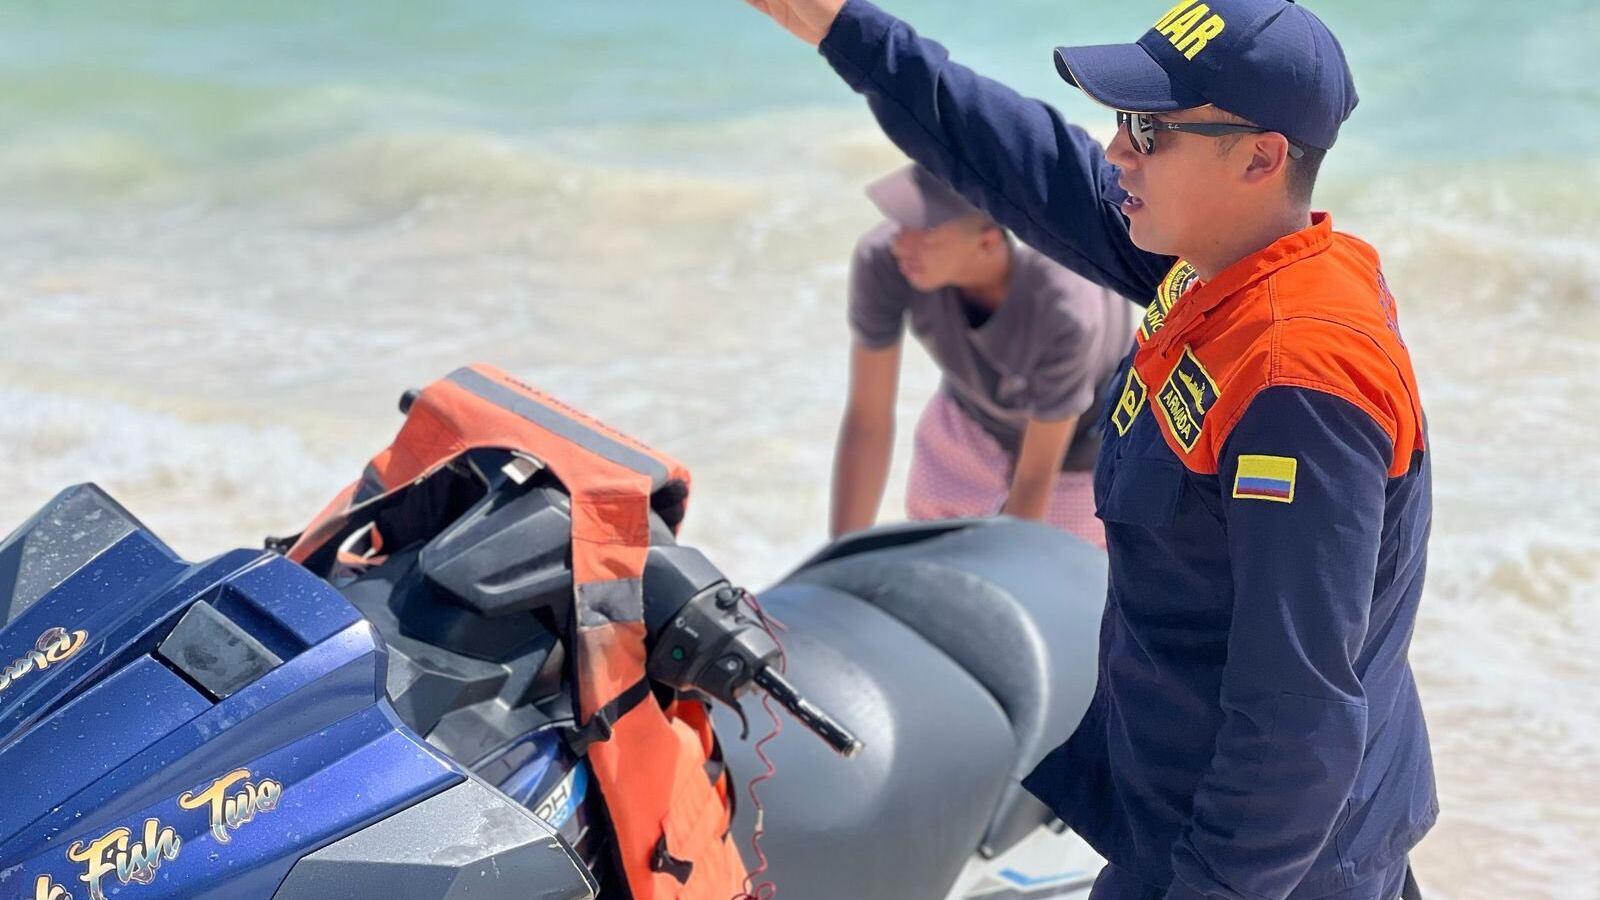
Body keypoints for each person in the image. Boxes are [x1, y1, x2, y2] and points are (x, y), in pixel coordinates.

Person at [742, 1, 1435, 898]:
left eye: (1151, 129)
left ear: (1261, 157)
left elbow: (1297, 715)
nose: (1118, 152)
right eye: (1121, 120)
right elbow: (1028, 165)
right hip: (1195, 817)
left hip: (1268, 865)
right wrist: (847, 29)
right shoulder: (1220, 260)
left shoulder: (1297, 380)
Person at [832, 163, 1130, 547]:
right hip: (972, 424)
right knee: (930, 554)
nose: (900, 243)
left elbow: (1035, 478)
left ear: (988, 242)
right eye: (901, 222)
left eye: (924, 230)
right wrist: (839, 555)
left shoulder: (1066, 306)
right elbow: (867, 420)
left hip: (1077, 453)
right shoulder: (886, 259)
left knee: (1036, 568)